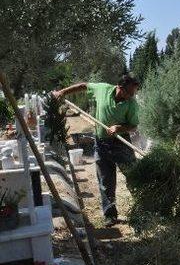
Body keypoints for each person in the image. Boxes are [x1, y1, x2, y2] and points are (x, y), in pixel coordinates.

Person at [53, 73, 140, 226]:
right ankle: (110, 216)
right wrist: (62, 92)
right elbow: (84, 85)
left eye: (134, 93)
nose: (132, 96)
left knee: (134, 175)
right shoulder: (103, 89)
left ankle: (142, 211)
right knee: (105, 181)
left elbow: (133, 125)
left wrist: (119, 128)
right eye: (130, 93)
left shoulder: (131, 104)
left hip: (121, 143)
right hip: (101, 143)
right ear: (120, 88)